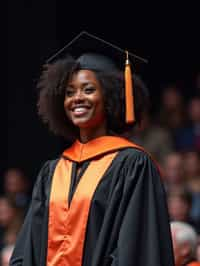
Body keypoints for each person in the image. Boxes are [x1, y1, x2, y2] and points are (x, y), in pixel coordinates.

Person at [10, 31, 174, 266]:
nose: (77, 98)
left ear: (109, 98)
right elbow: (29, 248)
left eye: (88, 90)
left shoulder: (131, 165)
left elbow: (136, 249)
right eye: (69, 92)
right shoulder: (53, 171)